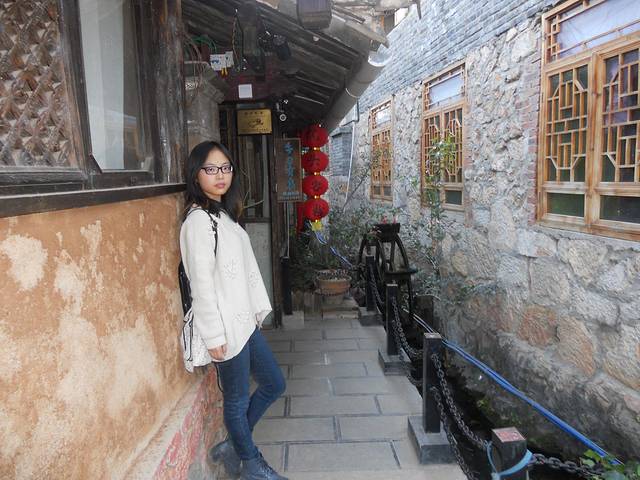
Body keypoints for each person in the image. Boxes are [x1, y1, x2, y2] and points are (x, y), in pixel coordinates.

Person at [179, 141, 287, 480]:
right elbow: (201, 284)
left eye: (225, 167)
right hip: (225, 327)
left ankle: (232, 446)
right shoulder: (198, 222)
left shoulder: (221, 213)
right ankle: (252, 464)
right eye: (211, 169)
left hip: (243, 324)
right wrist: (213, 335)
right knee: (237, 402)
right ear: (196, 174)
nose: (220, 175)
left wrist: (253, 311)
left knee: (274, 383)